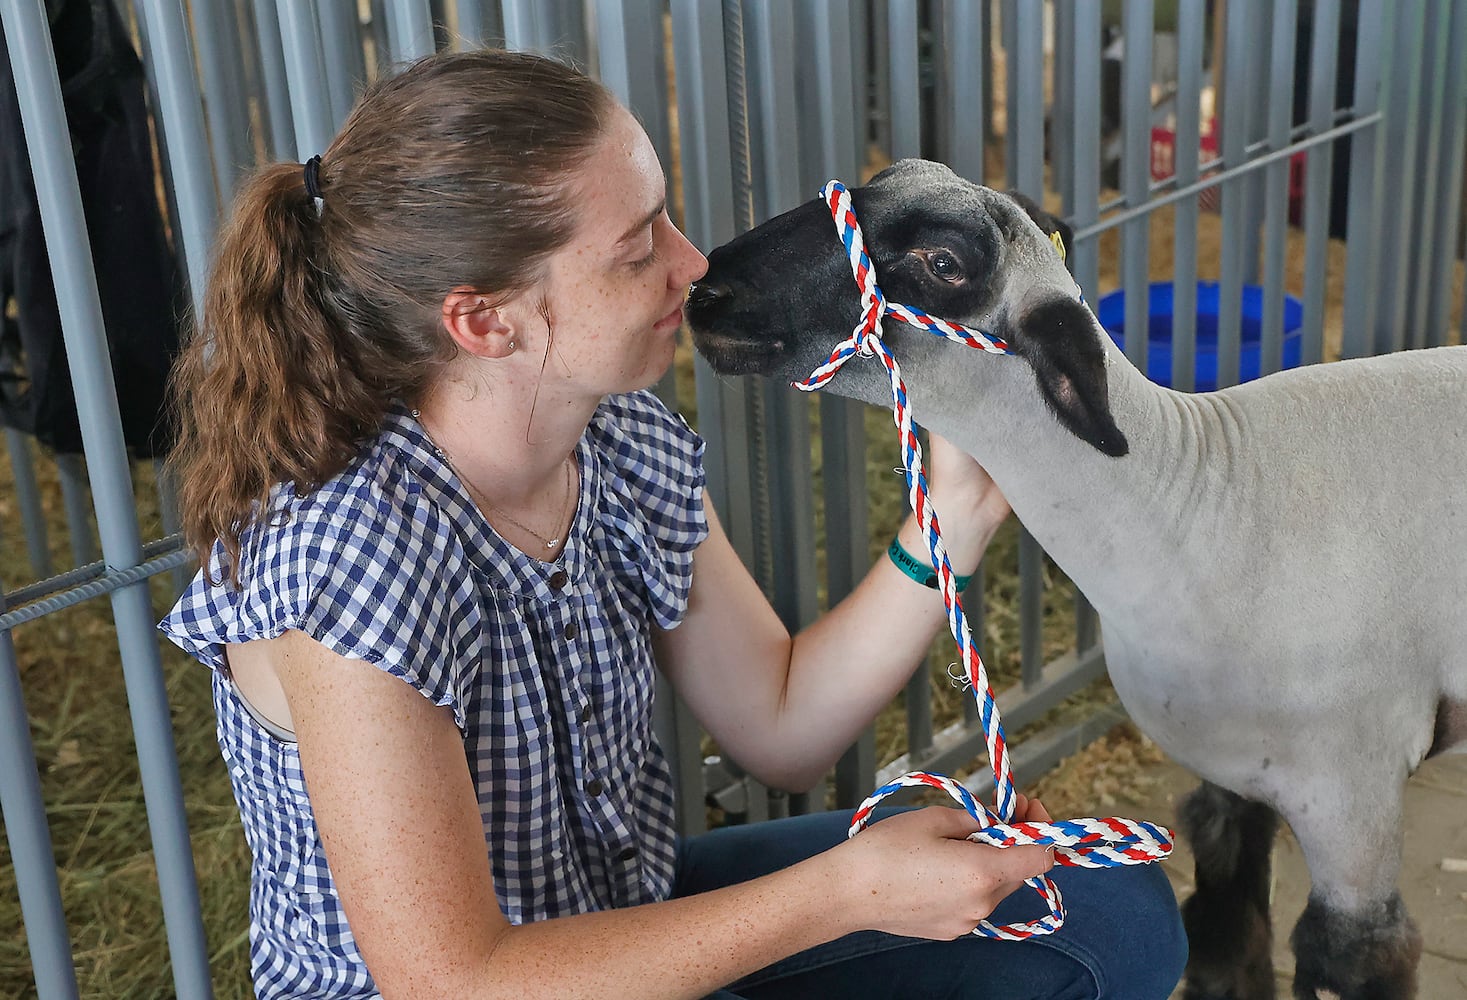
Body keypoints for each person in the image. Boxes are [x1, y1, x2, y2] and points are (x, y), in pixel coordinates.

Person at [161, 49, 1186, 1000]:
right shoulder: (353, 555)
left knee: (1114, 917)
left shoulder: (617, 437)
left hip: (620, 915)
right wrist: (851, 891)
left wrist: (953, 518)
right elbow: (455, 978)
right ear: (486, 320)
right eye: (637, 244)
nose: (693, 263)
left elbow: (778, 720)